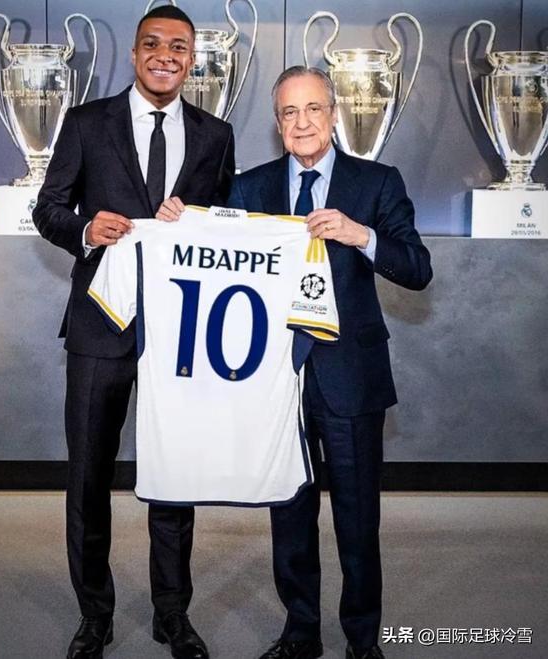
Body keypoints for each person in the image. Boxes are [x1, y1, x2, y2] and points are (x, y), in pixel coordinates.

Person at [32, 7, 234, 659]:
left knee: (174, 474)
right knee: (88, 475)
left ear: (192, 58)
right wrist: (87, 229)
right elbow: (48, 209)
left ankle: (173, 613)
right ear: (135, 53)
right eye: (153, 44)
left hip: (179, 329)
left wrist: (196, 217)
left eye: (178, 46)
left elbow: (225, 223)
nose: (165, 55)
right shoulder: (86, 122)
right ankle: (95, 615)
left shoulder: (216, 134)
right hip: (100, 324)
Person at [227, 66, 432, 659]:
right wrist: (175, 222)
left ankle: (363, 641)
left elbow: (417, 269)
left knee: (357, 520)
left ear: (334, 114)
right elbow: (219, 260)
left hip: (352, 380)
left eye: (313, 108)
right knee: (289, 519)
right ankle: (301, 633)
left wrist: (360, 235)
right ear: (277, 123)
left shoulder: (377, 182)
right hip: (276, 382)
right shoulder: (250, 188)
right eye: (289, 112)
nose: (302, 122)